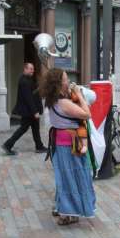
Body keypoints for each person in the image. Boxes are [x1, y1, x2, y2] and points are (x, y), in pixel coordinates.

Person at [41, 68, 96, 225]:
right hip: (71, 145)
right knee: (73, 177)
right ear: (59, 84)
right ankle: (69, 212)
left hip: (61, 142)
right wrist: (79, 95)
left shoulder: (51, 99)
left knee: (64, 177)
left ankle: (64, 208)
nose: (68, 81)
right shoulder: (64, 102)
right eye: (65, 79)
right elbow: (87, 114)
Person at [2, 62, 47, 155]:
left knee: (35, 128)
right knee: (23, 128)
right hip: (29, 111)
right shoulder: (24, 81)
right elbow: (28, 98)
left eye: (33, 69)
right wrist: (35, 111)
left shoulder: (28, 80)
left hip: (30, 111)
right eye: (30, 69)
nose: (32, 71)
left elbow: (33, 95)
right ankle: (8, 144)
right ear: (25, 69)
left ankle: (39, 146)